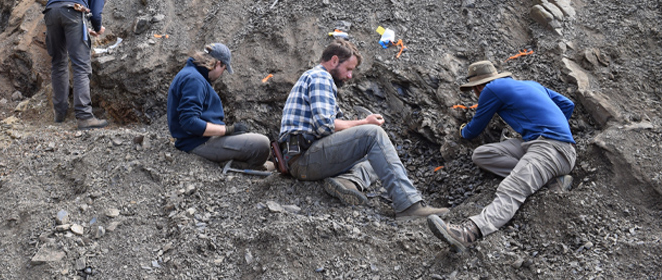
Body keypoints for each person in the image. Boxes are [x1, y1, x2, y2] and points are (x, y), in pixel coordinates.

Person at [279, 39, 447, 219]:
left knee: (381, 153)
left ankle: (347, 181)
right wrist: (364, 123)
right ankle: (409, 206)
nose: (350, 76)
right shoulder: (321, 78)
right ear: (334, 61)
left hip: (305, 155)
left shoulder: (317, 78)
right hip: (302, 159)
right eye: (349, 69)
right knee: (373, 134)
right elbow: (324, 126)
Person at [427, 60, 576, 250]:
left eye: (474, 90)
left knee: (512, 188)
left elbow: (474, 130)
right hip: (540, 144)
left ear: (479, 86)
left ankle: (468, 233)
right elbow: (567, 104)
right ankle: (551, 180)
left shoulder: (491, 89)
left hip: (550, 149)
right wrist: (552, 125)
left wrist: (461, 131)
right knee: (482, 154)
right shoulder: (531, 84)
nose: (475, 94)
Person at [167, 43, 272, 169]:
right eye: (224, 69)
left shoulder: (192, 74)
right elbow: (189, 121)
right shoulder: (194, 80)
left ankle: (240, 162)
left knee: (267, 158)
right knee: (263, 144)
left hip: (199, 140)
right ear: (218, 64)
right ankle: (239, 165)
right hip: (197, 143)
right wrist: (227, 130)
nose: (222, 74)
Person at [43, 0, 109, 129]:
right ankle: (84, 116)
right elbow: (96, 15)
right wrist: (98, 29)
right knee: (81, 65)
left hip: (51, 11)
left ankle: (60, 113)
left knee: (58, 62)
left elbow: (68, 15)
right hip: (72, 10)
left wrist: (85, 27)